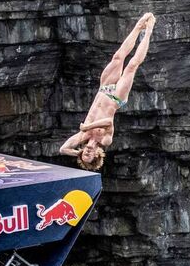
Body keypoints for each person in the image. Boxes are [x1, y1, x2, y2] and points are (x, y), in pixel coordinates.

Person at [60, 13, 156, 171]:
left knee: (117, 57)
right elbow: (108, 122)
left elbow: (63, 148)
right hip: (116, 98)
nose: (87, 152)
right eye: (89, 155)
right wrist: (87, 126)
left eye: (84, 154)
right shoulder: (104, 141)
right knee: (132, 66)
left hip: (103, 89)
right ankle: (149, 31)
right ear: (97, 154)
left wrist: (72, 152)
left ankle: (139, 26)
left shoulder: (82, 137)